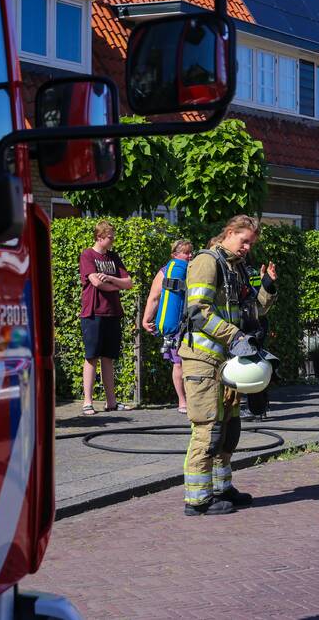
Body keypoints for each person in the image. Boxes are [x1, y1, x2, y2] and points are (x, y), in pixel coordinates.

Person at [178, 215, 277, 516]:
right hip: (203, 361)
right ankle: (197, 499)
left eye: (251, 243)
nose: (247, 247)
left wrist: (268, 288)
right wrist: (234, 337)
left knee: (229, 428)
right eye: (243, 240)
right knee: (208, 429)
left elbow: (252, 310)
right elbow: (198, 311)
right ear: (229, 233)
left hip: (229, 363)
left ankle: (222, 488)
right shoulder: (207, 262)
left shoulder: (235, 267)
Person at [79, 220, 133, 416]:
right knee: (91, 356)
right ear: (100, 237)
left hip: (113, 312)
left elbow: (128, 283)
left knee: (108, 357)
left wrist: (110, 279)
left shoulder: (114, 257)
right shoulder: (87, 255)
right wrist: (115, 285)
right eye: (110, 236)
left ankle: (111, 402)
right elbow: (95, 282)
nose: (113, 240)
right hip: (93, 312)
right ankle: (87, 402)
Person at [141, 238, 194, 413]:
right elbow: (154, 297)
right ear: (174, 255)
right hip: (176, 324)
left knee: (190, 363)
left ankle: (193, 400)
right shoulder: (165, 272)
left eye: (191, 252)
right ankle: (182, 401)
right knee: (178, 364)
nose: (190, 255)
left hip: (193, 323)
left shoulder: (196, 269)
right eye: (186, 253)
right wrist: (146, 319)